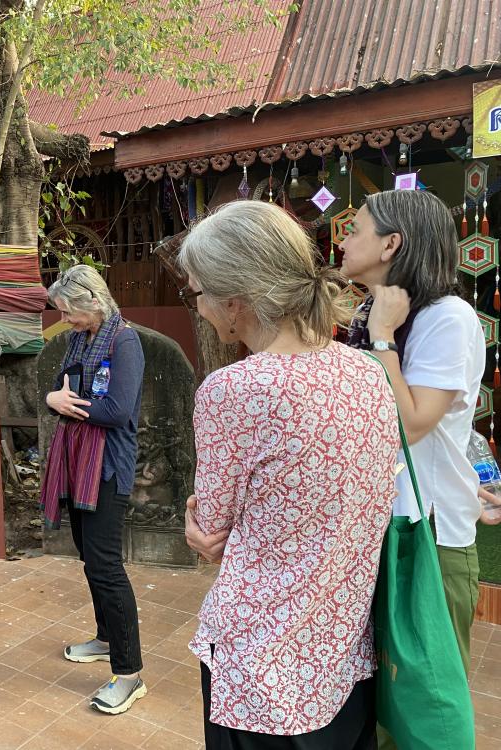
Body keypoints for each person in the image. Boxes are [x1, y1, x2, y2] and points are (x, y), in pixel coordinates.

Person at [179, 201, 399, 748]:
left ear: (234, 304)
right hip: (343, 656)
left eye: (196, 293)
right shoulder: (367, 371)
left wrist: (198, 524)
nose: (197, 306)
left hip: (260, 672)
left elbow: (210, 535)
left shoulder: (233, 391)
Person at [340, 189, 489, 686]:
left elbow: (409, 425)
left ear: (391, 245)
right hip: (378, 528)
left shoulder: (446, 316)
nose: (344, 239)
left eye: (356, 228)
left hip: (428, 537)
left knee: (425, 700)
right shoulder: (368, 315)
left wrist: (383, 338)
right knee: (384, 699)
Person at [40, 264, 146, 715]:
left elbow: (119, 410)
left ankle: (130, 674)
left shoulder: (125, 341)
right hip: (75, 462)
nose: (66, 319)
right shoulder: (78, 340)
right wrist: (52, 399)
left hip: (105, 467)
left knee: (105, 566)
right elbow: (58, 388)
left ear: (92, 304)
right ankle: (105, 638)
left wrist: (66, 405)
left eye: (69, 311)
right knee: (89, 555)